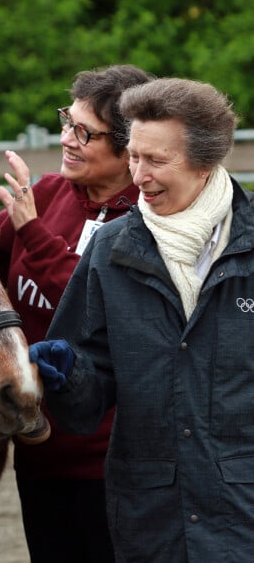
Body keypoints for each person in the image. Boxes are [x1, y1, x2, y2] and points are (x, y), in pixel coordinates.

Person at [29, 77, 254, 562]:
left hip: (242, 513)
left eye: (155, 161)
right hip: (149, 520)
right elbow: (88, 398)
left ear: (206, 160)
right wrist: (68, 375)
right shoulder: (111, 251)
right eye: (133, 156)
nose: (138, 175)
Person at [0, 64, 154, 562]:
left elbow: (102, 303)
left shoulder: (150, 218)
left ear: (130, 148)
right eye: (68, 122)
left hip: (113, 461)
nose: (68, 139)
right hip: (38, 447)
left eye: (86, 133)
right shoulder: (42, 196)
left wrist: (34, 235)